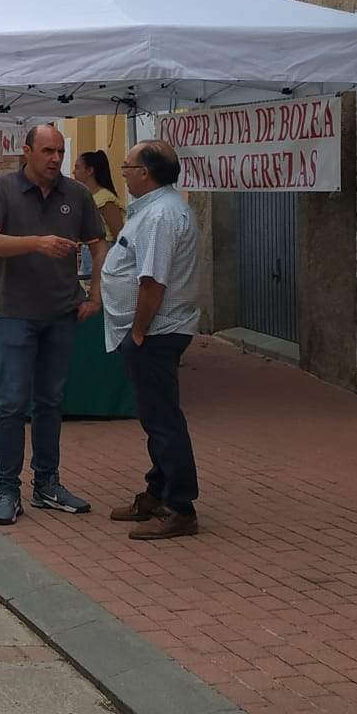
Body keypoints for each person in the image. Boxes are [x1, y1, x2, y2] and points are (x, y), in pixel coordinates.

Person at [0, 123, 108, 526]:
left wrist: (96, 295)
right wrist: (36, 242)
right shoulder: (2, 189)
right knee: (13, 402)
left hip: (62, 313)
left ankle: (47, 483)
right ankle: (7, 488)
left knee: (51, 402)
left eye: (60, 152)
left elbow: (99, 244)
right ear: (27, 151)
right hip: (16, 312)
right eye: (47, 151)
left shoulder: (78, 194)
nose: (55, 159)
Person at [104, 140, 203, 541]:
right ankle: (158, 490)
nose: (123, 171)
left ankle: (180, 506)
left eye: (127, 165)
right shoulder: (154, 209)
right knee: (155, 417)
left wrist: (139, 331)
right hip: (154, 329)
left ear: (144, 172)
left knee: (163, 420)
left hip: (157, 331)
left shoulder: (162, 215)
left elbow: (153, 280)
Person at [74, 149, 126, 242]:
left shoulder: (105, 199)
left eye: (77, 168)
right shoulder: (82, 196)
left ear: (89, 170)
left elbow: (119, 234)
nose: (74, 172)